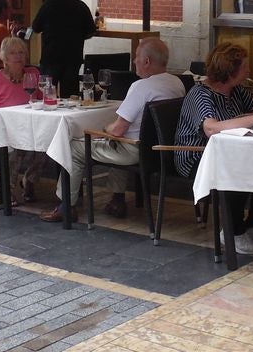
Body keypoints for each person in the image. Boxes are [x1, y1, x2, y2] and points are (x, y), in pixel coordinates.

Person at [41, 38, 186, 223]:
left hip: (135, 151)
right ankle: (117, 200)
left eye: (136, 58)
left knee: (73, 147)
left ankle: (66, 206)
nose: (134, 62)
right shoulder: (176, 83)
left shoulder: (141, 87)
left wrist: (101, 130)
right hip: (159, 151)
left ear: (147, 61)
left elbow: (117, 129)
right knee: (119, 139)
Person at [174, 42, 253, 256]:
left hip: (234, 152)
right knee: (235, 170)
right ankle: (233, 231)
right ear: (229, 72)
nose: (248, 71)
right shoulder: (200, 94)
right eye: (244, 68)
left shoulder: (236, 90)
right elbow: (211, 128)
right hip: (197, 156)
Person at [0, 35, 47, 204]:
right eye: (13, 53)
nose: (18, 56)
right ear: (5, 58)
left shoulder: (32, 74)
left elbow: (40, 100)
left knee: (46, 143)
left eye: (21, 52)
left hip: (26, 127)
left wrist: (47, 98)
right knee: (12, 150)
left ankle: (29, 180)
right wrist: (4, 117)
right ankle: (5, 188)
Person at [30, 0, 95, 98]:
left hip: (51, 57)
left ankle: (49, 114)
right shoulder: (81, 6)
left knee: (48, 92)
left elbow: (36, 28)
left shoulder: (47, 6)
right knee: (70, 94)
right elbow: (91, 30)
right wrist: (78, 37)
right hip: (73, 56)